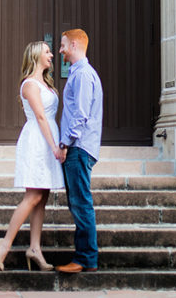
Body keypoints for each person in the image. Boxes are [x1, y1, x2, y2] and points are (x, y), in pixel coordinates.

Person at [0, 40, 65, 271]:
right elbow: (40, 117)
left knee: (43, 195)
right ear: (35, 56)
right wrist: (54, 147)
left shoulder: (47, 84)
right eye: (47, 51)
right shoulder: (30, 85)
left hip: (48, 137)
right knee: (32, 195)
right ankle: (4, 243)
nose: (51, 55)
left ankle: (35, 248)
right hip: (37, 141)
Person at [55, 28, 103, 273]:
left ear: (73, 45)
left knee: (81, 203)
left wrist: (64, 143)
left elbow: (80, 115)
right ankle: (85, 257)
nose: (60, 50)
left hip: (79, 148)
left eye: (63, 45)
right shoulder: (80, 73)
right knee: (78, 202)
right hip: (80, 147)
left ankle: (85, 258)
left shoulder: (83, 75)